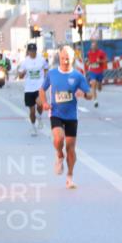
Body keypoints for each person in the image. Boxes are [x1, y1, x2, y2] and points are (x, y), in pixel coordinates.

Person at [39, 46, 93, 189]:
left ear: (72, 59)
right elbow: (41, 89)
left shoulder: (78, 76)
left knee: (70, 148)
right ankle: (59, 155)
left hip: (71, 115)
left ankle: (69, 176)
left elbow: (90, 94)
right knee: (58, 138)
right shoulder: (52, 74)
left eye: (68, 58)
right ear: (59, 59)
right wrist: (44, 102)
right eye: (62, 58)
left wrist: (85, 94)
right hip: (56, 112)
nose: (65, 61)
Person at [17, 42, 49, 135]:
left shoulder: (42, 60)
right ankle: (33, 126)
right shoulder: (25, 62)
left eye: (33, 51)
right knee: (31, 111)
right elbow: (20, 75)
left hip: (39, 87)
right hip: (29, 88)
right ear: (28, 51)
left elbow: (46, 69)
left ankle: (39, 117)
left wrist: (46, 79)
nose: (32, 53)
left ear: (36, 50)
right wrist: (22, 73)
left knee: (39, 104)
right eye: (30, 51)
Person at [85, 41, 108, 109]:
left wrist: (100, 61)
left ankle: (100, 85)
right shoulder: (89, 53)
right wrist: (88, 63)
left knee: (99, 88)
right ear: (91, 47)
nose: (93, 47)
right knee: (93, 84)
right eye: (92, 46)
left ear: (97, 46)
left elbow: (106, 60)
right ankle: (95, 101)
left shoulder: (101, 52)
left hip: (100, 71)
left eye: (94, 46)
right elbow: (86, 61)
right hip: (92, 71)